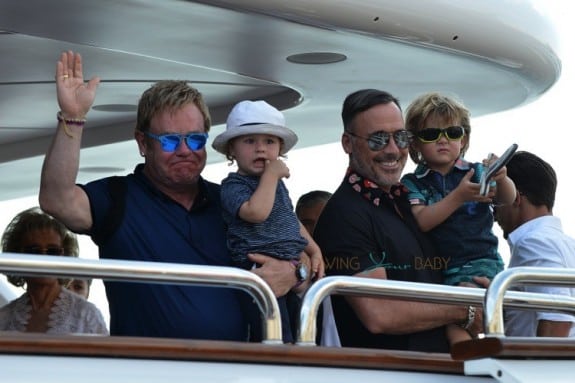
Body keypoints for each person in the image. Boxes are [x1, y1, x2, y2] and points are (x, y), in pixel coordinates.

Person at [39, 51, 308, 340]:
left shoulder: (232, 201)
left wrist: (295, 274)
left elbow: (302, 256)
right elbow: (57, 199)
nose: (184, 150)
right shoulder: (118, 199)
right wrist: (73, 117)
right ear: (143, 143)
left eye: (195, 139)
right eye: (169, 141)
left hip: (242, 371)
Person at [313, 89, 482, 353]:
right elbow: (380, 313)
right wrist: (466, 308)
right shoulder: (344, 215)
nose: (393, 150)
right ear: (347, 143)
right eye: (378, 139)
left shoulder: (408, 202)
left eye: (400, 137)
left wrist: (477, 285)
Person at [400, 92, 516, 344]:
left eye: (452, 132)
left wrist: (502, 178)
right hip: (442, 269)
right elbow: (422, 220)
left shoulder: (477, 172)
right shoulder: (412, 182)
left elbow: (506, 198)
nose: (443, 140)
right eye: (431, 134)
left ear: (463, 139)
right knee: (455, 322)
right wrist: (459, 196)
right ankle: (468, 366)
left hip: (480, 262)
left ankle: (476, 364)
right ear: (415, 144)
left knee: (459, 321)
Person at [212, 100, 324, 342]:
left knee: (300, 332)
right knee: (273, 334)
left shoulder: (276, 185)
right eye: (250, 141)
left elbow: (289, 219)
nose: (260, 149)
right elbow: (256, 212)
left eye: (269, 142)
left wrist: (313, 250)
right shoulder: (234, 186)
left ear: (280, 149)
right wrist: (271, 176)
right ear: (232, 150)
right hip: (257, 270)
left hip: (289, 265)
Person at [494, 151, 575, 337]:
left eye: (495, 203)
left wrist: (535, 364)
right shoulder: (568, 245)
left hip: (542, 365)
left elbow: (557, 321)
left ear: (515, 198)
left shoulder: (534, 243)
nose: (495, 216)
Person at [0, 207, 107, 334]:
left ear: (65, 255)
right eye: (34, 251)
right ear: (17, 255)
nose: (44, 258)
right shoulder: (5, 318)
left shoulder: (86, 315)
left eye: (53, 251)